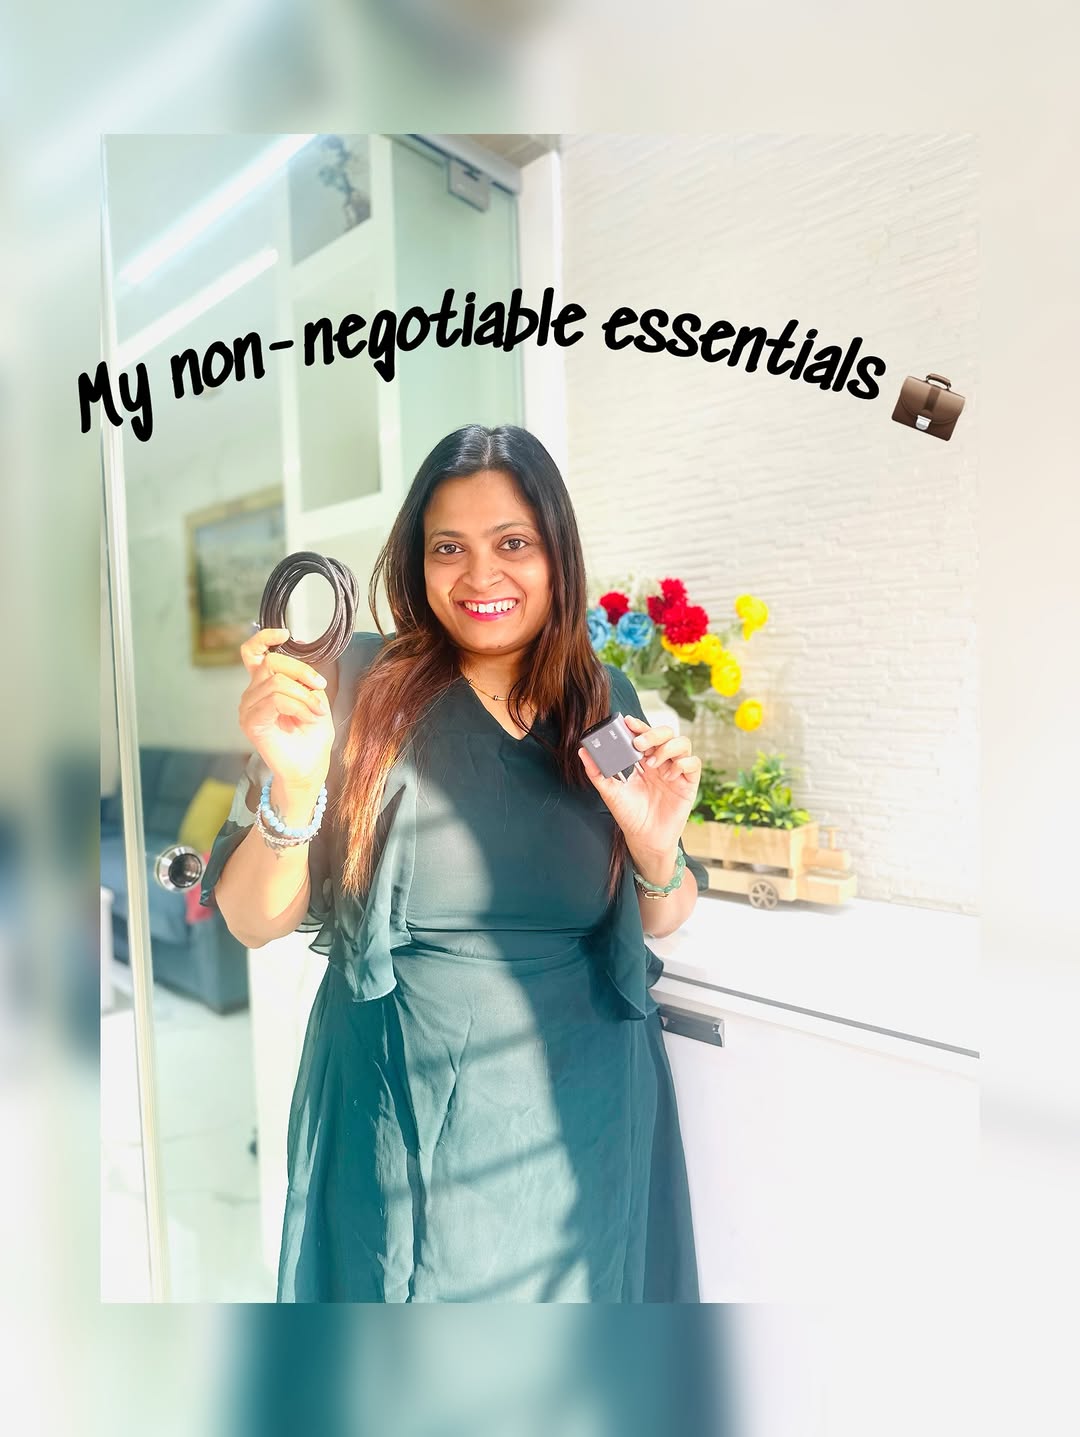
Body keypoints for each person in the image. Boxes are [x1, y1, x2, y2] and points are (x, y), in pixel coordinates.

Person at [199, 423, 711, 1302]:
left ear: (556, 554)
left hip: (588, 1115)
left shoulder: (600, 700)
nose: (481, 576)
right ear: (417, 558)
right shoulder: (354, 686)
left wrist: (655, 843)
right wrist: (295, 781)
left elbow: (661, 909)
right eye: (449, 548)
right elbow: (251, 917)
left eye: (513, 543)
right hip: (402, 1119)